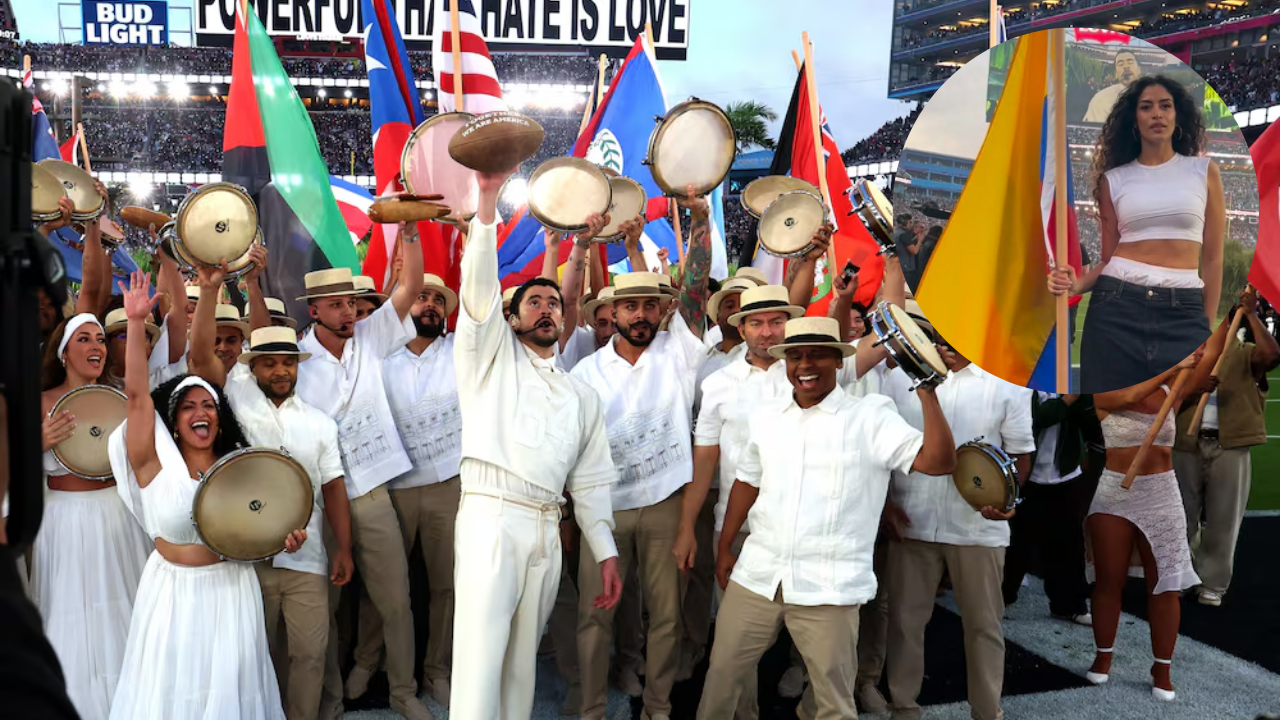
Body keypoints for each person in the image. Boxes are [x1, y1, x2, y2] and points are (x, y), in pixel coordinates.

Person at [699, 316, 957, 720]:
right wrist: (725, 545)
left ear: (839, 361)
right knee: (720, 679)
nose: (805, 364)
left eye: (818, 354)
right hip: (759, 574)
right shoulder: (767, 416)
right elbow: (748, 481)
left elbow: (939, 462)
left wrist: (927, 391)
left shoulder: (871, 416)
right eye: (796, 356)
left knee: (833, 705)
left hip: (829, 587)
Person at [451, 164, 622, 720]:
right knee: (480, 661)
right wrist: (487, 202)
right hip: (491, 519)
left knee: (521, 664)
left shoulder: (582, 396)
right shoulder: (488, 361)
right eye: (533, 302)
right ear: (510, 317)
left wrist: (606, 552)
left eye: (553, 302)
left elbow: (590, 483)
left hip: (548, 529)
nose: (547, 307)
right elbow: (478, 293)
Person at [106, 268, 304, 720]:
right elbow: (137, 397)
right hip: (171, 595)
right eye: (189, 406)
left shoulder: (238, 468)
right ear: (174, 422)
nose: (201, 412)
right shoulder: (153, 463)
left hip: (231, 592)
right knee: (174, 695)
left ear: (220, 417)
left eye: (209, 405)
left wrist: (287, 539)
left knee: (229, 695)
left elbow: (267, 524)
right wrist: (135, 323)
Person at [570, 185, 716, 720]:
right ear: (611, 311)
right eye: (629, 306)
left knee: (667, 615)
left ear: (662, 310)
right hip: (604, 511)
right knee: (596, 616)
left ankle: (658, 708)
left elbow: (695, 284)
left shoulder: (678, 351)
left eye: (649, 305)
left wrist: (698, 220)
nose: (640, 315)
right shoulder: (585, 372)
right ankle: (591, 710)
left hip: (665, 505)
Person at [293, 237, 430, 720]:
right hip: (319, 500)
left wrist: (409, 232)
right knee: (325, 610)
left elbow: (411, 285)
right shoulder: (295, 361)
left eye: (351, 303)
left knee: (396, 601)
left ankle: (403, 693)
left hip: (372, 493)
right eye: (336, 305)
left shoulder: (371, 336)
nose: (348, 311)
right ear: (314, 311)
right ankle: (330, 700)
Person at [884, 337, 1035, 720]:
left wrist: (1009, 501)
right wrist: (885, 505)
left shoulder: (1007, 383)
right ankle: (903, 709)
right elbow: (879, 449)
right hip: (912, 520)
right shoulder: (898, 378)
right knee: (904, 623)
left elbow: (1020, 454)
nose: (947, 340)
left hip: (978, 527)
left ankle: (987, 712)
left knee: (984, 626)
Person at [679, 283, 806, 718]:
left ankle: (806, 687)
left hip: (801, 524)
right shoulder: (717, 384)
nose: (767, 332)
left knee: (811, 627)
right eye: (757, 322)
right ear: (742, 327)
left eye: (776, 321)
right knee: (735, 641)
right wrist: (687, 528)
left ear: (789, 324)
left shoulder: (810, 373)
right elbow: (704, 461)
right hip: (735, 528)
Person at [1049, 75, 1223, 393]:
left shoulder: (1204, 171)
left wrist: (1206, 330)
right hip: (1116, 306)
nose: (1157, 114)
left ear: (1177, 115)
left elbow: (1212, 259)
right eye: (1146, 107)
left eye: (1165, 106)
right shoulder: (1113, 180)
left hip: (1183, 310)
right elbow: (1107, 259)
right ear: (1134, 119)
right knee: (1114, 420)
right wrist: (1076, 284)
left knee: (1174, 418)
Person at [220, 326, 356, 720]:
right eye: (269, 364)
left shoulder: (320, 424)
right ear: (253, 369)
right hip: (249, 559)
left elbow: (333, 488)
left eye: (288, 363)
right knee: (260, 653)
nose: (280, 371)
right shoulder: (236, 412)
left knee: (310, 654)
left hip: (307, 557)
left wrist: (343, 548)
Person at [1085, 323, 1226, 701]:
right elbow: (1131, 394)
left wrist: (1227, 316)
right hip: (1114, 492)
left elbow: (1210, 352)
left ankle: (1161, 668)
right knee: (1108, 581)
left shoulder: (1171, 390)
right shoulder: (1105, 388)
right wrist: (1173, 368)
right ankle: (1102, 657)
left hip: (1162, 493)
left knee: (1165, 585)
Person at [350, 273, 465, 709]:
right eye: (421, 297)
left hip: (448, 484)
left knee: (445, 586)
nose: (430, 305)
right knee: (381, 586)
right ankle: (366, 660)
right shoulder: (376, 355)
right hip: (393, 486)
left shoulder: (459, 353)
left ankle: (437, 669)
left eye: (438, 299)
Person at [33, 314, 152, 720]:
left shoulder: (119, 398)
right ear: (63, 353)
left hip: (117, 517)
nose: (96, 346)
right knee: (73, 615)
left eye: (100, 339)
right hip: (64, 522)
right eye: (83, 339)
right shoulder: (38, 402)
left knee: (124, 608)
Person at [1174, 288, 1279, 606]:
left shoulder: (1245, 352)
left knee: (1224, 517)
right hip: (1187, 441)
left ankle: (1213, 583)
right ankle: (1182, 575)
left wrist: (1252, 314)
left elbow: (1271, 355)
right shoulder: (1188, 352)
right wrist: (1195, 387)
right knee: (1181, 515)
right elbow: (1168, 394)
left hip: (1230, 443)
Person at [1002, 392, 1103, 625]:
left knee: (1069, 545)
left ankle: (1068, 605)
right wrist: (1068, 400)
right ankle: (1001, 598)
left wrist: (1083, 397)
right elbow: (1037, 418)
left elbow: (1091, 422)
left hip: (1065, 474)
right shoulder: (1021, 385)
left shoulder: (1070, 380)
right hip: (1025, 475)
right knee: (1016, 542)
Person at [1084, 50, 1144, 123]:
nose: (1126, 66)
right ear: (1116, 73)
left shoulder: (1152, 94)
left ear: (1139, 69)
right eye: (1120, 64)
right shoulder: (1101, 98)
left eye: (1130, 62)